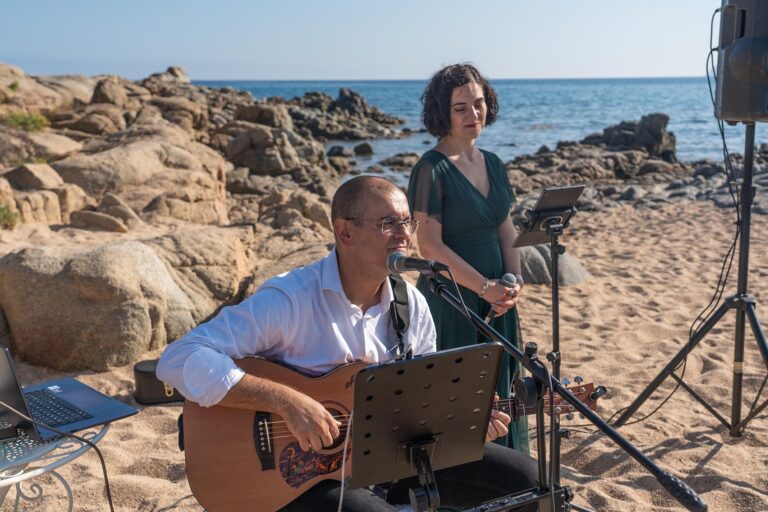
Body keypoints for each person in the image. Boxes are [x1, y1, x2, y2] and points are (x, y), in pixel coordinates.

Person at [157, 176, 538, 511]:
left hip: (390, 459)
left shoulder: (412, 304)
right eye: (389, 223)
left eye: (407, 222)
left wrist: (463, 424)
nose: (404, 235)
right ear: (345, 232)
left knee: (532, 481)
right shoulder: (290, 298)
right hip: (299, 477)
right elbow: (178, 357)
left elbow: (424, 404)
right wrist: (284, 401)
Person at [407, 64, 529, 453]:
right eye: (461, 107)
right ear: (443, 112)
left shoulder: (494, 162)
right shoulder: (430, 169)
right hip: (452, 299)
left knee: (503, 386)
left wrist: (514, 281)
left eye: (478, 104)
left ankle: (510, 480)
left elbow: (506, 230)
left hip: (498, 296)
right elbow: (429, 246)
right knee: (458, 395)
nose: (473, 114)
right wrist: (485, 287)